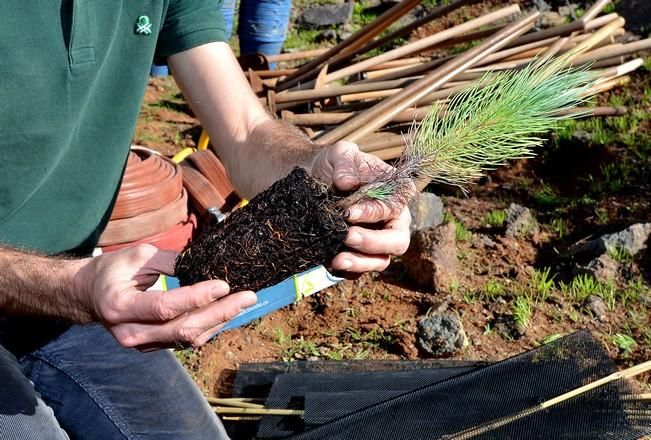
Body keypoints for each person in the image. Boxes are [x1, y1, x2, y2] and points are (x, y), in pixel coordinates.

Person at [0, 1, 411, 439]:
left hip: (74, 285)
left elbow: (244, 129)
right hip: (59, 285)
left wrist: (313, 169)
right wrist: (70, 289)